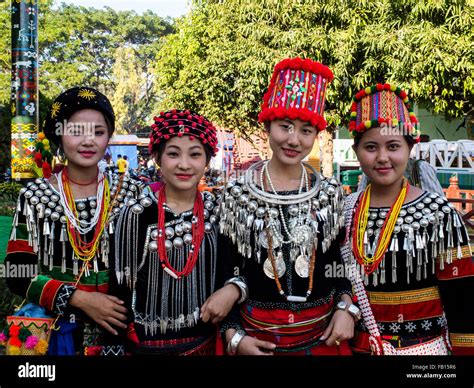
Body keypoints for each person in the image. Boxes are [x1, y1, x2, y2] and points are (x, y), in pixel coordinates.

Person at [219, 58, 356, 355]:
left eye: (306, 130)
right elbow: (224, 271)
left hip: (322, 340)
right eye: (285, 126)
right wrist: (234, 337)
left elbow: (338, 265)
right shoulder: (238, 193)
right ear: (268, 125)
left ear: (316, 136)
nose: (294, 139)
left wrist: (346, 307)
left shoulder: (329, 193)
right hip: (255, 340)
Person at [5, 87, 144, 355]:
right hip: (54, 333)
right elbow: (16, 273)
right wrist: (79, 298)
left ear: (108, 138)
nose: (88, 141)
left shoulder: (130, 192)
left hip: (120, 330)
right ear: (59, 135)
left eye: (98, 132)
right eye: (76, 131)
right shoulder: (36, 196)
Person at [342, 83, 474, 355]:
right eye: (370, 147)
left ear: (410, 148)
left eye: (393, 146)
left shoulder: (439, 213)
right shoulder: (345, 212)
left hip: (425, 352)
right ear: (356, 151)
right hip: (359, 350)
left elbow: (462, 299)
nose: (382, 158)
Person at [109, 109, 241, 355]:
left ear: (207, 160)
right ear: (157, 157)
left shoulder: (217, 212)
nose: (184, 164)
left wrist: (233, 289)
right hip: (144, 347)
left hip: (205, 345)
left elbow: (233, 271)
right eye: (173, 154)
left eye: (195, 155)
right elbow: (119, 293)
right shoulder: (135, 215)